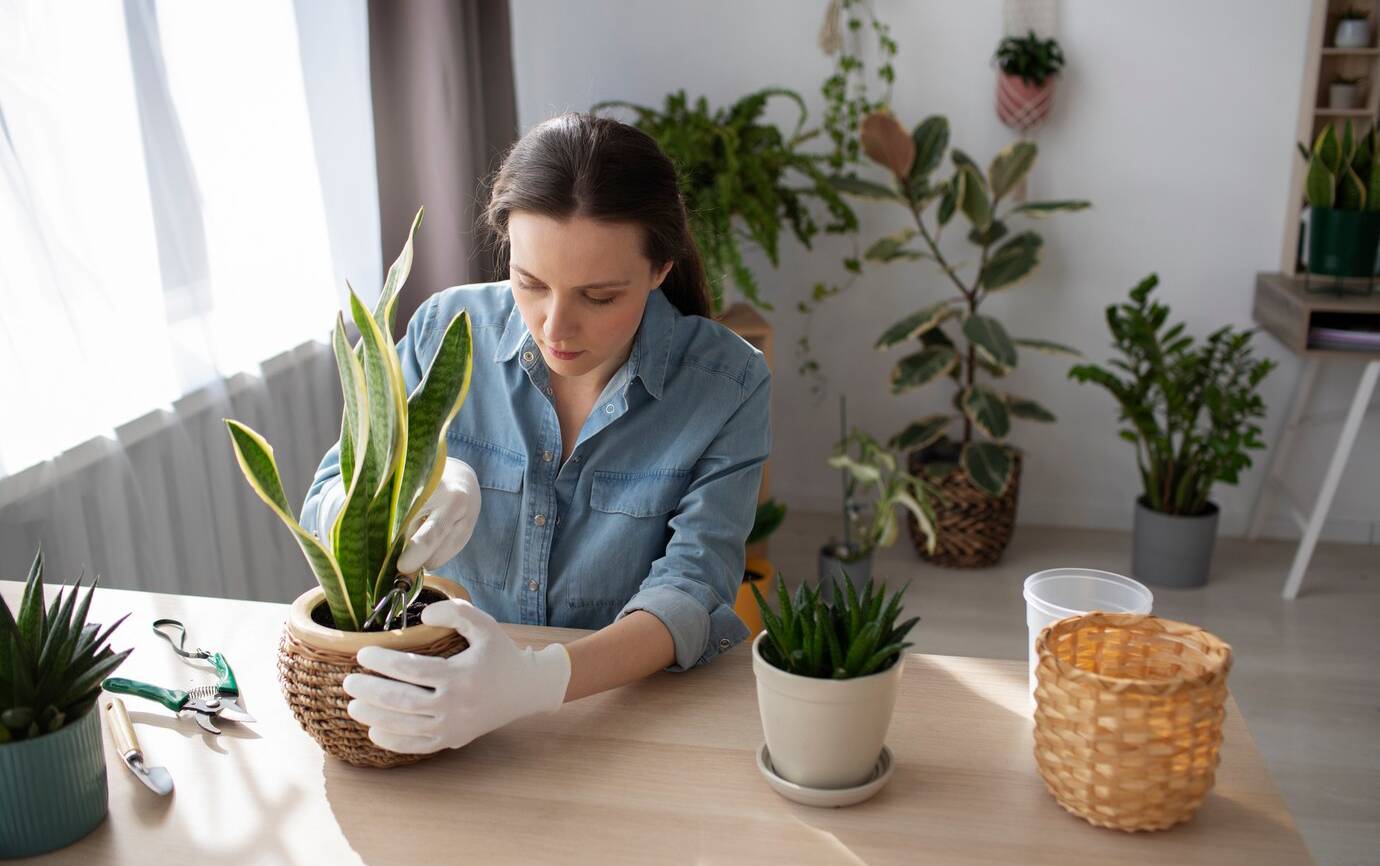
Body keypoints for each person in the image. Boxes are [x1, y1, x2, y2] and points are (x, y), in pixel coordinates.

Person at [299, 112, 771, 755]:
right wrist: (406, 498)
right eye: (530, 283)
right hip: (438, 716)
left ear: (661, 267)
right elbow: (331, 494)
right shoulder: (446, 332)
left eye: (599, 296)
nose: (556, 327)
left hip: (625, 723)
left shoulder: (728, 383)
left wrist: (535, 682)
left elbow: (693, 585)